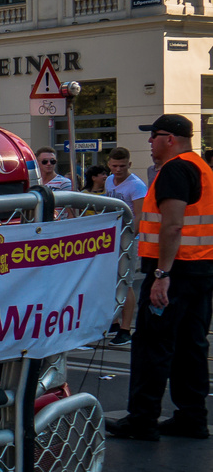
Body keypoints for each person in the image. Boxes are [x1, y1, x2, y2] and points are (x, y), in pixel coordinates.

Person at [108, 114, 213, 441]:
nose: (150, 143)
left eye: (154, 137)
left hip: (175, 270)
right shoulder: (201, 168)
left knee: (153, 344)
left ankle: (142, 419)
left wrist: (162, 275)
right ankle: (192, 417)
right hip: (200, 269)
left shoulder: (175, 169)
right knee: (190, 345)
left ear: (170, 138)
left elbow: (172, 225)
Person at [104, 146, 148, 345]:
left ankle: (125, 328)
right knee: (111, 280)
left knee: (125, 281)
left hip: (129, 238)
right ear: (109, 164)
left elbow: (140, 214)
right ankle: (113, 321)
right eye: (114, 166)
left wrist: (131, 237)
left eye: (122, 166)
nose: (118, 169)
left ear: (129, 164)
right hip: (112, 236)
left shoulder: (136, 186)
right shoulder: (108, 180)